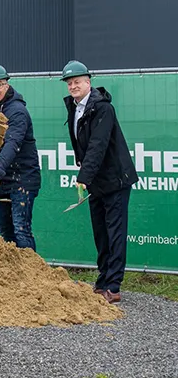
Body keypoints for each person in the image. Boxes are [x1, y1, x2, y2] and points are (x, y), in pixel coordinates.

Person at [62, 60, 138, 304]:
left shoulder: (102, 108)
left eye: (77, 82)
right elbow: (81, 143)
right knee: (100, 233)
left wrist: (83, 177)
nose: (73, 86)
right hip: (96, 181)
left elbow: (98, 145)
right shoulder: (74, 107)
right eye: (70, 83)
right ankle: (103, 279)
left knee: (115, 232)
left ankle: (113, 286)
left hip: (115, 179)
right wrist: (81, 164)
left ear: (88, 82)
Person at [0, 63, 41, 251]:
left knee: (21, 230)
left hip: (23, 179)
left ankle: (32, 275)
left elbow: (12, 144)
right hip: (3, 178)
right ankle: (13, 275)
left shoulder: (17, 111)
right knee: (5, 228)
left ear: (7, 85)